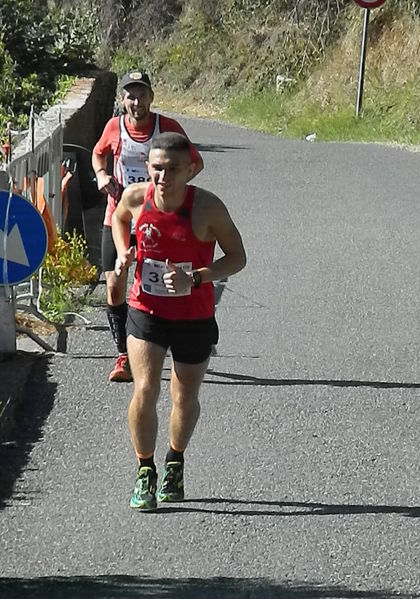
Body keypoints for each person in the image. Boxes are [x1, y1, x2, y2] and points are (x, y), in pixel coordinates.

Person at [112, 132, 246, 510]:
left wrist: (198, 277)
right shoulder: (137, 197)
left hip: (193, 315)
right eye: (156, 168)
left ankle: (174, 459)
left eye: (172, 169)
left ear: (190, 170)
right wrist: (125, 255)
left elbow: (237, 256)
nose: (162, 177)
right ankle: (144, 471)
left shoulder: (208, 209)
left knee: (184, 396)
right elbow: (121, 220)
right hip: (146, 310)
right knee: (145, 388)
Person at [92, 70, 204, 382]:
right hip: (119, 215)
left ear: (151, 97)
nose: (136, 102)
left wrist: (171, 193)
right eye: (130, 95)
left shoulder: (167, 128)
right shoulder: (115, 127)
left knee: (155, 285)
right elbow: (98, 153)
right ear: (123, 99)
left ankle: (162, 344)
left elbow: (196, 162)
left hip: (156, 221)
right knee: (115, 282)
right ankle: (124, 355)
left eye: (142, 95)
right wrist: (102, 176)